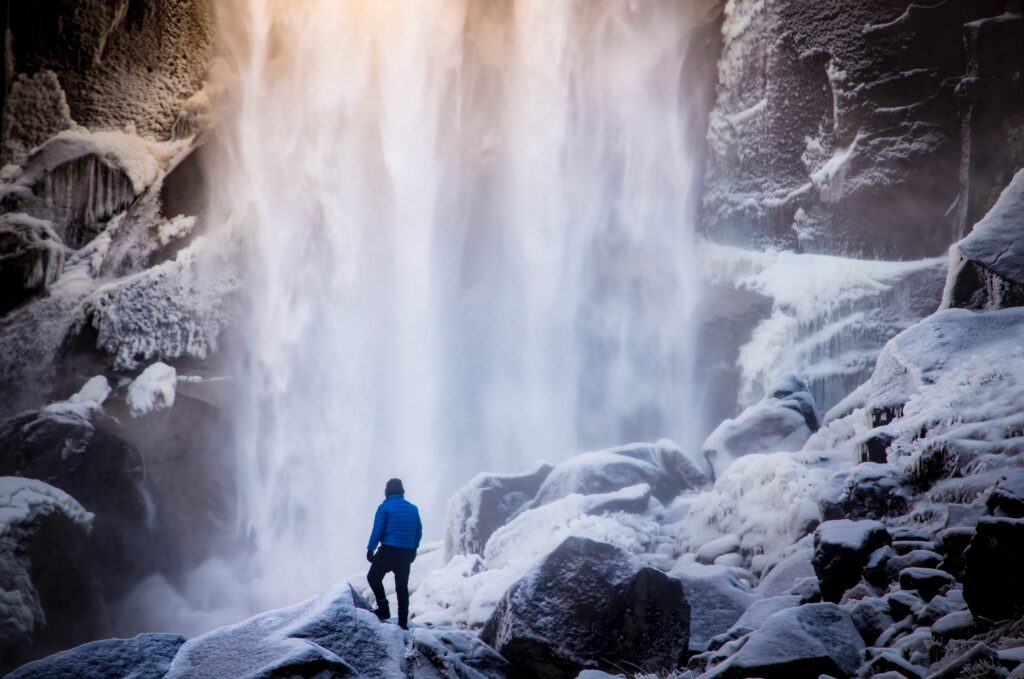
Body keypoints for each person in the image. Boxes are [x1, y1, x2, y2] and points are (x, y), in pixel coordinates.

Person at [366, 477, 422, 629]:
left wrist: (370, 549)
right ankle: (403, 621)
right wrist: (413, 549)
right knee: (402, 586)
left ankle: (384, 610)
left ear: (387, 492)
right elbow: (418, 532)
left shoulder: (384, 508)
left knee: (373, 577)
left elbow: (377, 530)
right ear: (402, 492)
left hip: (388, 551)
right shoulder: (413, 509)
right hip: (405, 554)